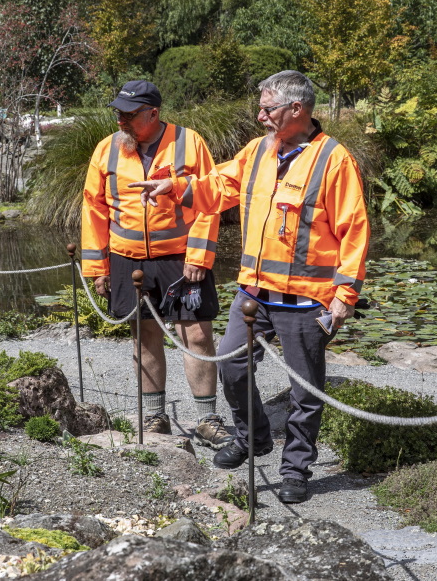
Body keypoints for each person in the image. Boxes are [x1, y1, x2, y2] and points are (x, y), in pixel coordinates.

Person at [130, 70, 370, 503]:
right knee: (233, 366)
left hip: (306, 300)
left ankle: (295, 469)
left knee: (305, 391)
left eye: (267, 109)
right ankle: (253, 437)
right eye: (260, 109)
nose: (260, 117)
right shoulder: (258, 150)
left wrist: (344, 297)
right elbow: (219, 187)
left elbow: (354, 230)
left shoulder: (335, 160)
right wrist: (175, 187)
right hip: (253, 294)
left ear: (296, 109)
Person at [81, 80, 232, 450]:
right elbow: (94, 208)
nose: (121, 121)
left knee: (197, 335)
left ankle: (207, 419)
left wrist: (198, 255)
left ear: (153, 112)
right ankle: (154, 416)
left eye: (129, 115)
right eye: (118, 113)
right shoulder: (107, 148)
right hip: (127, 260)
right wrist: (97, 266)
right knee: (144, 334)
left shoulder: (189, 142)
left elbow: (209, 200)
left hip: (181, 259)